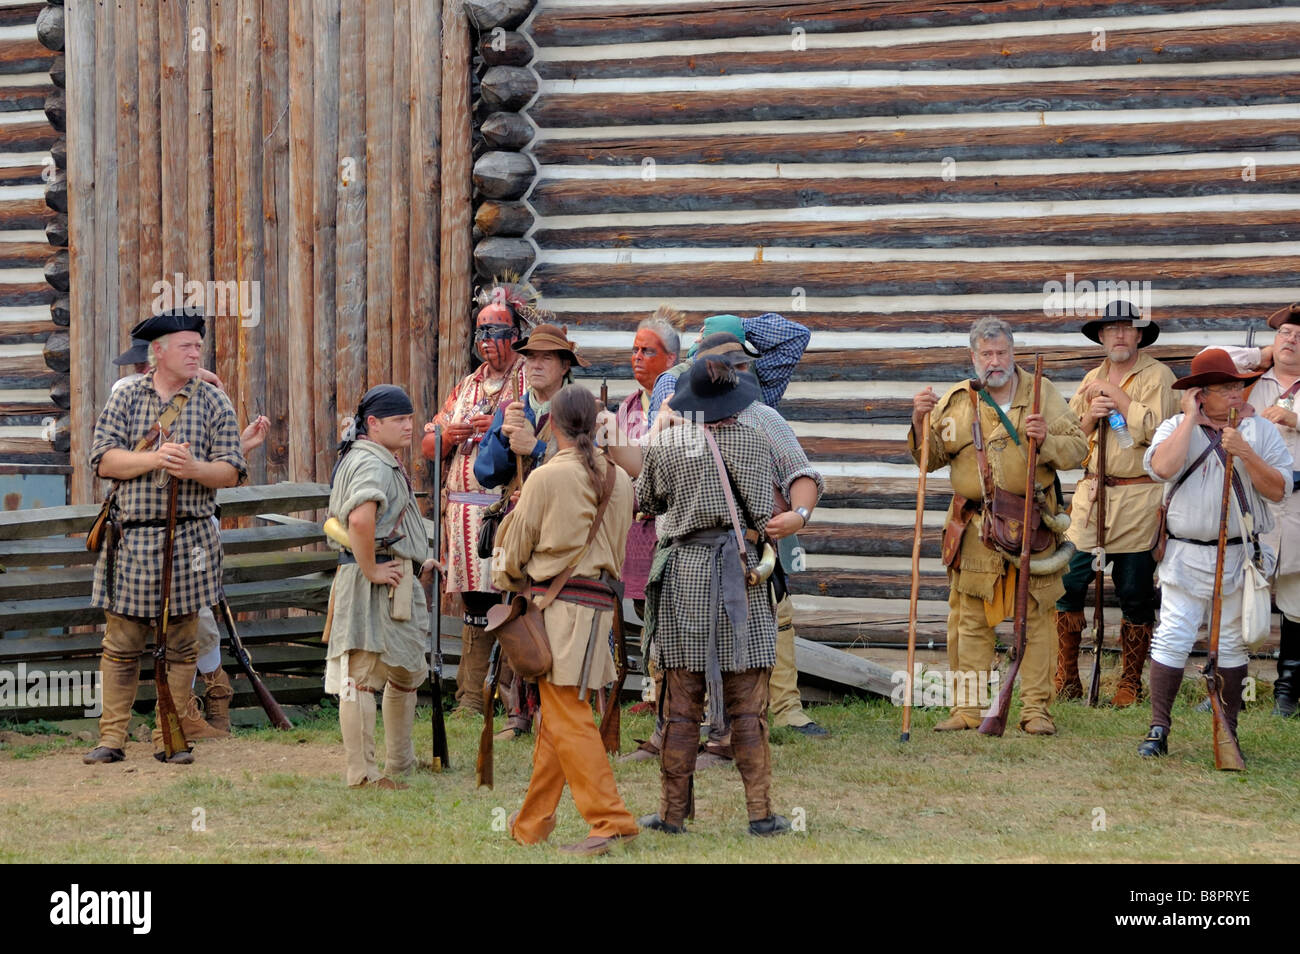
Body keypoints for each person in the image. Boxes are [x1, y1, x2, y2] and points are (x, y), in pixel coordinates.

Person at [617, 333, 826, 766]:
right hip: (679, 552)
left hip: (739, 551)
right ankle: (670, 731)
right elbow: (645, 481)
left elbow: (802, 473)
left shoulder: (762, 419)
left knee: (731, 648)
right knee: (674, 649)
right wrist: (653, 430)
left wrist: (798, 516)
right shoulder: (674, 416)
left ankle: (725, 736)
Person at [83, 308, 247, 765]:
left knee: (180, 643)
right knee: (121, 642)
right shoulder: (126, 398)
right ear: (158, 353)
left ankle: (168, 735)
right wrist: (156, 460)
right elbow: (103, 461)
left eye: (198, 345)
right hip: (133, 540)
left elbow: (232, 471)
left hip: (191, 539)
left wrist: (194, 469)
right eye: (186, 346)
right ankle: (111, 739)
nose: (196, 352)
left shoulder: (215, 402)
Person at [910, 317, 1087, 736]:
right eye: (986, 354)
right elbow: (928, 459)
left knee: (1038, 618)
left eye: (1001, 353)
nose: (995, 361)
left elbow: (1078, 449)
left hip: (1032, 524)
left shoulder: (1042, 393)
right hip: (975, 527)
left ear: (1013, 354)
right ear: (973, 358)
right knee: (970, 619)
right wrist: (919, 421)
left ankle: (1035, 710)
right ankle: (968, 711)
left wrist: (1046, 440)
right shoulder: (955, 401)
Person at [635, 357, 788, 836]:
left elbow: (647, 500)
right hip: (742, 576)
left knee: (680, 706)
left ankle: (671, 815)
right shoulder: (756, 438)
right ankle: (761, 815)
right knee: (748, 708)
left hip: (685, 578)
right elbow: (765, 512)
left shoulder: (668, 442)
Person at [491, 385, 640, 857]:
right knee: (558, 717)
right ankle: (532, 824)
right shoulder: (621, 481)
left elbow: (513, 553)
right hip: (599, 610)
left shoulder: (545, 479)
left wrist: (508, 576)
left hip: (557, 610)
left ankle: (609, 819)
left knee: (569, 717)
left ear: (552, 425)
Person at [111, 336, 271, 737]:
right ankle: (172, 719)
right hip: (148, 530)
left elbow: (215, 468)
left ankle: (205, 711)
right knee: (145, 630)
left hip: (196, 530)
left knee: (197, 620)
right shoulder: (128, 395)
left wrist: (243, 445)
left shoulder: (198, 397)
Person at [1138, 348, 1292, 757]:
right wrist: (1190, 418)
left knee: (1229, 646)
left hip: (1240, 555)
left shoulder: (1260, 433)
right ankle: (1158, 729)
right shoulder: (1175, 425)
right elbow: (1164, 468)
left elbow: (1278, 490)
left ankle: (1228, 729)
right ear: (1201, 394)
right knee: (1173, 636)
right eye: (1226, 389)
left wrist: (1244, 451)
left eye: (1238, 387)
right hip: (1185, 555)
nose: (1237, 395)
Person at [1055, 300, 1178, 706]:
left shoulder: (1158, 375)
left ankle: (1130, 682)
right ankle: (1067, 677)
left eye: (1127, 328)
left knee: (1134, 590)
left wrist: (1118, 398)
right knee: (1068, 583)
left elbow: (1161, 431)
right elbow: (1070, 438)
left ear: (1139, 335)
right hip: (1092, 496)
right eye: (1112, 330)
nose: (1120, 335)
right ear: (1102, 338)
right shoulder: (1091, 377)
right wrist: (1092, 412)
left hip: (1139, 497)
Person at [473, 322, 591, 740]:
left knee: (558, 620)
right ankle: (516, 714)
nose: (535, 364)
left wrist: (537, 449)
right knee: (514, 614)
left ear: (563, 366)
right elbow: (485, 474)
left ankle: (555, 711)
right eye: (530, 357)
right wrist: (506, 443)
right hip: (520, 527)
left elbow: (589, 469)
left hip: (563, 532)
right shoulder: (512, 410)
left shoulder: (580, 410)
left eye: (545, 357)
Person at [422, 288, 527, 717]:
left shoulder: (525, 379)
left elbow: (539, 435)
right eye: (481, 330)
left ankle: (499, 696)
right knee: (472, 600)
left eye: (497, 329)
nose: (487, 339)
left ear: (516, 334)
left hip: (503, 505)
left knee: (502, 596)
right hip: (461, 513)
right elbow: (429, 445)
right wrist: (451, 435)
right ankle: (470, 696)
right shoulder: (465, 386)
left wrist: (499, 428)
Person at [323, 385, 433, 789]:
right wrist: (371, 570)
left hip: (392, 576)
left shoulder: (376, 458)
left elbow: (385, 523)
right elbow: (360, 523)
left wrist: (418, 556)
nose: (409, 426)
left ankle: (399, 763)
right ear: (373, 424)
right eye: (399, 420)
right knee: (362, 678)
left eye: (409, 418)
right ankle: (364, 775)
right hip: (373, 581)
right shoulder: (372, 463)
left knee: (404, 673)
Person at [617, 307, 681, 613]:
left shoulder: (684, 407)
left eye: (647, 351)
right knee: (645, 615)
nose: (637, 357)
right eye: (635, 350)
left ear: (670, 359)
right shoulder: (627, 408)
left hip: (669, 529)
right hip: (636, 535)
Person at [646, 311, 809, 426]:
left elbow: (797, 336)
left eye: (738, 362)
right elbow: (665, 445)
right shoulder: (673, 381)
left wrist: (738, 326)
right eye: (721, 361)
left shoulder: (755, 380)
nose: (734, 369)